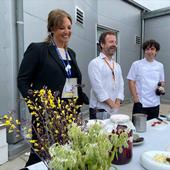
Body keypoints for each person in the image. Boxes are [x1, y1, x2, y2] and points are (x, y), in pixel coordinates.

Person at [17, 9, 89, 166]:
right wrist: (36, 106)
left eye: (69, 27)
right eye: (61, 27)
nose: (67, 31)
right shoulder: (38, 50)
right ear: (51, 29)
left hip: (70, 113)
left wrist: (80, 96)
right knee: (40, 156)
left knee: (65, 154)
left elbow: (71, 79)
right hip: (47, 115)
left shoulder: (71, 53)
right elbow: (22, 80)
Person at [88, 31, 124, 119]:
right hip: (99, 109)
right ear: (102, 44)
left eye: (115, 42)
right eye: (111, 42)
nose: (114, 44)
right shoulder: (95, 63)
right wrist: (113, 105)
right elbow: (98, 88)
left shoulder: (117, 65)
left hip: (114, 109)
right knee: (99, 132)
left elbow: (121, 85)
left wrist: (118, 102)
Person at [127, 39, 165, 120]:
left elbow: (162, 81)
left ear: (156, 51)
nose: (149, 51)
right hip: (141, 103)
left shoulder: (160, 65)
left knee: (153, 126)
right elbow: (131, 81)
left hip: (155, 103)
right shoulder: (136, 64)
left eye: (152, 49)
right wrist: (136, 99)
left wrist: (160, 88)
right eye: (147, 49)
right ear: (144, 51)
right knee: (138, 127)